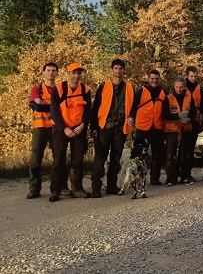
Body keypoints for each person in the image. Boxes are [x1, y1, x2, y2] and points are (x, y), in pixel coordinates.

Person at [90, 59, 135, 198]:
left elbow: (134, 106)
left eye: (121, 68)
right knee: (100, 158)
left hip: (120, 128)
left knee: (116, 158)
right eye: (116, 68)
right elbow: (95, 107)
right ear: (112, 70)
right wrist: (94, 127)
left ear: (123, 71)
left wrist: (132, 117)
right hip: (104, 127)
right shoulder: (104, 86)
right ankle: (96, 188)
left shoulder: (129, 88)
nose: (118, 71)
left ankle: (111, 186)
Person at [49, 63, 92, 202]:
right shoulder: (59, 88)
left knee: (77, 161)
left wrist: (83, 125)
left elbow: (88, 111)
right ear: (68, 73)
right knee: (58, 161)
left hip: (79, 129)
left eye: (79, 73)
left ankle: (77, 189)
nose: (76, 76)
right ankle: (56, 190)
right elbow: (54, 111)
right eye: (74, 73)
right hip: (62, 130)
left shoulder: (85, 89)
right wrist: (64, 128)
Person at [27, 62, 59, 199]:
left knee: (58, 160)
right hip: (40, 128)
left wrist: (44, 104)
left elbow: (63, 109)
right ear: (43, 73)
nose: (51, 73)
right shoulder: (37, 89)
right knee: (35, 160)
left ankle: (57, 189)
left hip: (55, 129)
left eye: (53, 70)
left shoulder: (60, 90)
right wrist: (53, 107)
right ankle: (34, 188)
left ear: (57, 73)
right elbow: (37, 107)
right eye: (48, 70)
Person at [129, 69, 167, 186]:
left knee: (157, 155)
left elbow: (167, 110)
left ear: (159, 79)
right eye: (152, 79)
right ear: (148, 79)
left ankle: (155, 179)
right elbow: (132, 106)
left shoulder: (164, 92)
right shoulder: (140, 91)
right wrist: (131, 117)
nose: (154, 81)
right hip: (143, 128)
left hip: (158, 128)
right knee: (139, 155)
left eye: (156, 79)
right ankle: (137, 178)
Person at [162, 77, 196, 186]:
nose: (179, 89)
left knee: (185, 155)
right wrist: (177, 116)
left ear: (184, 86)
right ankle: (171, 177)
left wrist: (189, 118)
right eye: (177, 87)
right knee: (171, 155)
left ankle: (185, 176)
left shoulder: (189, 98)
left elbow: (194, 113)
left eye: (181, 87)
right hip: (172, 130)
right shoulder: (168, 98)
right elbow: (165, 114)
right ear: (174, 86)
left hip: (186, 130)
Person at [184, 66, 203, 183]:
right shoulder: (182, 87)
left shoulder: (199, 89)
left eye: (195, 76)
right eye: (191, 76)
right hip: (181, 123)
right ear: (187, 76)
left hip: (194, 123)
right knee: (179, 151)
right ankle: (175, 175)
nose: (193, 78)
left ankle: (187, 174)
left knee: (190, 150)